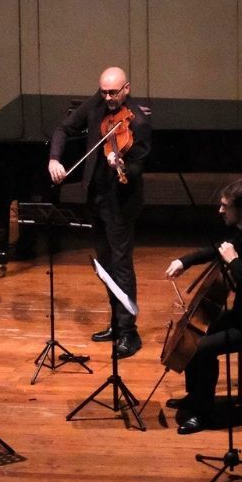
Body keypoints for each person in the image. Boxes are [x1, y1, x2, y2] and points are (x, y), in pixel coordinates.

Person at [164, 178, 242, 435]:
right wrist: (184, 261)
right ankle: (196, 396)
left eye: (225, 206)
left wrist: (235, 262)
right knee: (196, 332)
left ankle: (204, 414)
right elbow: (217, 249)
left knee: (202, 349)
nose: (220, 210)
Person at [48, 66, 152, 358]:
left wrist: (121, 164)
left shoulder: (139, 122)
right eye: (104, 92)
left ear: (126, 89)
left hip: (121, 203)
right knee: (105, 265)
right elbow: (63, 129)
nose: (108, 98)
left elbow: (138, 167)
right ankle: (116, 324)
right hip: (95, 198)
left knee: (121, 264)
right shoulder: (97, 103)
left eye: (113, 93)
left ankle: (129, 332)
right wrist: (54, 159)